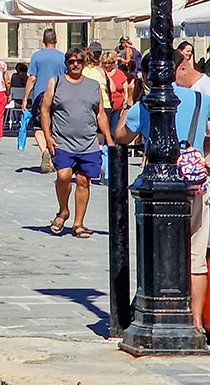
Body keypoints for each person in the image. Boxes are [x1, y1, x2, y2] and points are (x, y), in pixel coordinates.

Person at [115, 58, 210, 332]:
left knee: (158, 250)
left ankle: (159, 310)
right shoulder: (200, 99)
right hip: (195, 182)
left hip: (161, 186)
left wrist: (128, 104)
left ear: (149, 75)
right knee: (196, 255)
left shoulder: (147, 104)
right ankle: (196, 321)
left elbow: (120, 136)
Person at [40, 47, 112, 239]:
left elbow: (100, 113)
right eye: (71, 61)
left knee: (83, 181)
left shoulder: (93, 85)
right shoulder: (56, 82)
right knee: (63, 175)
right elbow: (45, 110)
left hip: (88, 142)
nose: (75, 65)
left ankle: (78, 224)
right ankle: (63, 210)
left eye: (79, 61)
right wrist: (47, 136)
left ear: (84, 63)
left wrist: (109, 138)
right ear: (66, 64)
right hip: (62, 141)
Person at [23, 28, 67, 173]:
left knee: (38, 128)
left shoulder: (37, 56)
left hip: (40, 96)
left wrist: (25, 98)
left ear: (43, 41)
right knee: (56, 127)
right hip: (58, 95)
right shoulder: (63, 57)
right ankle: (54, 157)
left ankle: (44, 151)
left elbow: (32, 78)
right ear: (56, 40)